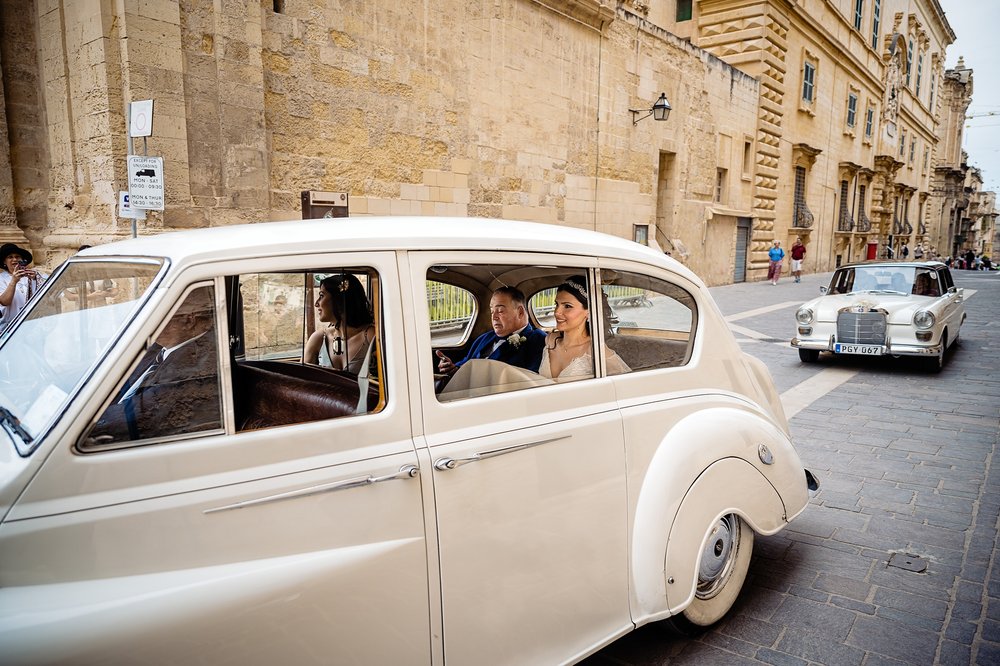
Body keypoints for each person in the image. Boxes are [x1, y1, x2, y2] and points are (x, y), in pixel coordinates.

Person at [89, 286, 221, 443]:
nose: (147, 318)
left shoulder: (198, 363)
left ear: (188, 319)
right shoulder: (157, 347)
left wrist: (86, 422)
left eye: (157, 311)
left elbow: (143, 414)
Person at [437, 286, 546, 377]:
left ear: (520, 312)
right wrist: (453, 368)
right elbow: (465, 364)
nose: (494, 317)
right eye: (492, 311)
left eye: (500, 311)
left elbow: (531, 379)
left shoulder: (538, 340)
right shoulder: (484, 338)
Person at [538, 278, 629, 381]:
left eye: (567, 306)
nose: (557, 312)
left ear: (589, 312)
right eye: (557, 304)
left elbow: (625, 385)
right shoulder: (550, 340)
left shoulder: (595, 350)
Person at [305, 274, 375, 374]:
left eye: (321, 296)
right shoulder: (319, 338)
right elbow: (301, 382)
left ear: (339, 300)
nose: (316, 303)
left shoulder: (370, 335)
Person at [0, 242, 48, 331]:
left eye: (17, 257)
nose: (14, 259)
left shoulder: (35, 274)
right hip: (10, 327)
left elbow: (49, 293)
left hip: (34, 325)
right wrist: (13, 281)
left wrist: (35, 279)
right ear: (4, 261)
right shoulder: (1, 279)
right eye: (10, 257)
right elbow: (4, 301)